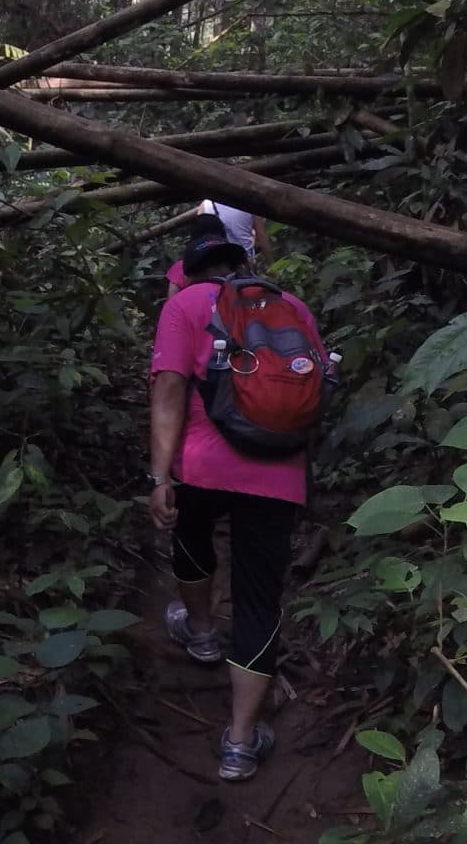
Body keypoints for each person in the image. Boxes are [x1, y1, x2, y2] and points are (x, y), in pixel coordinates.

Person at [146, 216, 319, 781]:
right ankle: (241, 743)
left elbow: (169, 388)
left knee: (191, 534)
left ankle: (199, 633)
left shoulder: (185, 306)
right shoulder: (291, 305)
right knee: (257, 598)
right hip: (277, 471)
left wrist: (159, 477)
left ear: (189, 270)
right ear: (241, 264)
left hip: (201, 462)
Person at [163, 200, 267, 293]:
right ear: (222, 233)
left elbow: (172, 300)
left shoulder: (182, 267)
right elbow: (261, 236)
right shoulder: (235, 262)